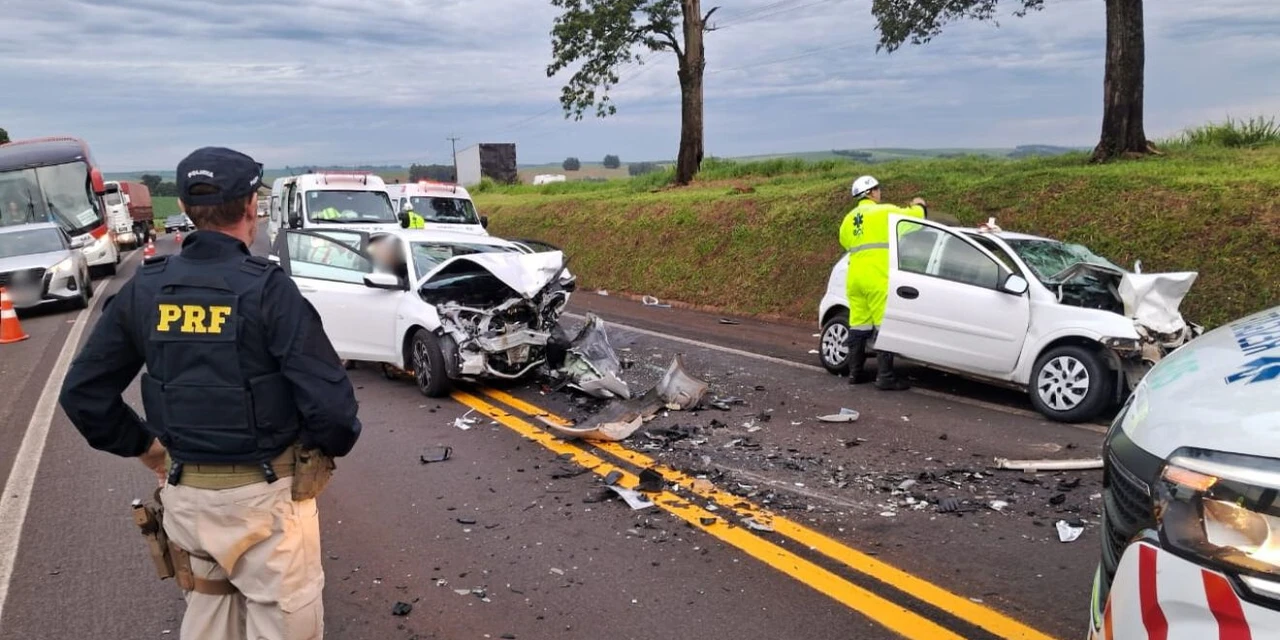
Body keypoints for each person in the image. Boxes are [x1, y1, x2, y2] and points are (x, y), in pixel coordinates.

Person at [58, 146, 362, 640]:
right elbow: (334, 410)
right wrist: (313, 457)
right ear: (250, 207)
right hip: (267, 503)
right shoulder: (268, 288)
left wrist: (151, 451)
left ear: (184, 205)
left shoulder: (145, 289)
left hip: (186, 501)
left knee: (209, 621)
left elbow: (83, 394)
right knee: (286, 622)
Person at [839, 175, 927, 391]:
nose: (880, 192)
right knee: (883, 326)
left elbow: (845, 241)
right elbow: (914, 219)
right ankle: (885, 376)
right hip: (877, 278)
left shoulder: (848, 219)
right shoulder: (884, 211)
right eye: (877, 189)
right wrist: (920, 205)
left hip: (854, 279)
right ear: (870, 192)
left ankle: (855, 373)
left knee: (858, 326)